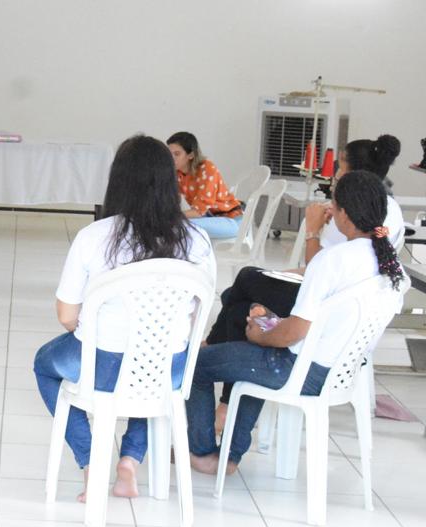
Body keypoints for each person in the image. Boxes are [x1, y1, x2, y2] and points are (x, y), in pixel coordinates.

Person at [34, 135, 216, 502]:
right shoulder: (198, 240)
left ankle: (90, 463)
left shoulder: (94, 236)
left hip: (101, 362)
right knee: (151, 373)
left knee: (44, 364)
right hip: (170, 369)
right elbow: (199, 318)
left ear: (118, 180)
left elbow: (66, 314)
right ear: (170, 181)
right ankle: (129, 462)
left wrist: (92, 330)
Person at [187, 170, 405, 476]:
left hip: (298, 369)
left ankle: (202, 453)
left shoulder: (333, 260)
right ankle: (230, 456)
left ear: (343, 214)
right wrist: (269, 322)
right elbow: (326, 323)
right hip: (337, 371)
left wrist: (259, 335)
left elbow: (293, 335)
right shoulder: (390, 266)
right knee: (246, 329)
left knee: (195, 363)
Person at [206, 134, 404, 429]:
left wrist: (311, 231)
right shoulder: (386, 239)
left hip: (312, 343)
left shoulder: (345, 243)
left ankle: (212, 351)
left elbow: (316, 273)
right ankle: (227, 421)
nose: (335, 175)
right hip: (340, 338)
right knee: (240, 309)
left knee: (243, 288)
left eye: (339, 169)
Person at [166, 131, 243, 239]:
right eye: (169, 154)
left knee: (181, 226)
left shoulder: (207, 169)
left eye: (177, 154)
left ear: (191, 155)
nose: (171, 158)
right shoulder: (177, 173)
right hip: (211, 218)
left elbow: (198, 212)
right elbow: (171, 200)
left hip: (232, 220)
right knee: (173, 224)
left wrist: (169, 216)